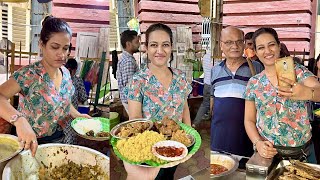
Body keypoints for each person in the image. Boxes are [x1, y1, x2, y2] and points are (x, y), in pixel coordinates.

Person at [0, 16, 90, 156]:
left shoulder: (65, 73)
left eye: (65, 48)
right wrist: (19, 120)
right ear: (42, 45)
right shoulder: (28, 74)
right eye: (55, 47)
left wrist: (77, 115)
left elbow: (64, 101)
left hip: (56, 139)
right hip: (28, 142)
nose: (61, 54)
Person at [244, 27, 320, 163]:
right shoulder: (254, 83)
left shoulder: (298, 72)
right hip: (267, 155)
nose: (267, 51)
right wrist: (257, 143)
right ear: (255, 52)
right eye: (261, 47)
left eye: (271, 45)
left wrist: (307, 92)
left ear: (279, 46)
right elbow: (249, 120)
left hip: (302, 154)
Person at [127, 23, 192, 180]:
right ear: (146, 48)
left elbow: (184, 108)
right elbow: (135, 120)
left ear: (171, 48)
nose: (160, 51)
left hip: (176, 147)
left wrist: (189, 138)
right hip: (151, 152)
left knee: (169, 176)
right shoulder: (138, 80)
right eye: (154, 45)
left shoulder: (180, 77)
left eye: (165, 45)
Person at [210, 26, 264, 158]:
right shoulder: (215, 71)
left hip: (246, 141)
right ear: (221, 45)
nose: (235, 46)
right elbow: (212, 104)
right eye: (229, 42)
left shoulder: (256, 68)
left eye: (239, 41)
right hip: (218, 142)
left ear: (244, 44)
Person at [116, 30, 140, 113]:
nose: (139, 44)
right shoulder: (128, 61)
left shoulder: (126, 58)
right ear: (128, 44)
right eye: (136, 42)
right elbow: (130, 86)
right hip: (131, 101)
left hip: (130, 100)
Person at [192, 50, 212, 128]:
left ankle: (195, 123)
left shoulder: (206, 57)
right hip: (215, 85)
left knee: (204, 104)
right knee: (215, 106)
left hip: (206, 84)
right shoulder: (219, 58)